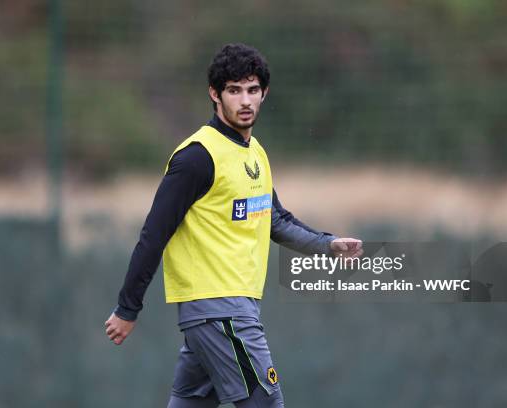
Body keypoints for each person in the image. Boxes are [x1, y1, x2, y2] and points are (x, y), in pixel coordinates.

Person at [105, 43, 363, 408]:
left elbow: (274, 219)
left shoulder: (254, 152)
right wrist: (127, 308)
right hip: (220, 311)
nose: (245, 100)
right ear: (215, 94)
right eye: (234, 89)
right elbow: (154, 234)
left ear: (264, 93)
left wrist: (327, 244)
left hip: (223, 314)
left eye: (253, 90)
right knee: (266, 403)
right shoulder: (196, 157)